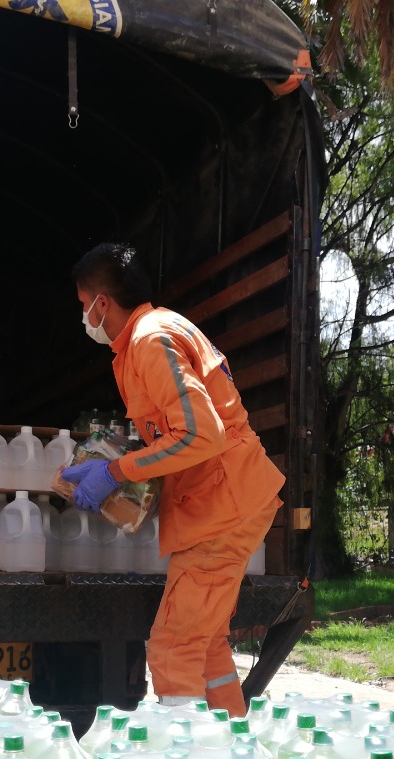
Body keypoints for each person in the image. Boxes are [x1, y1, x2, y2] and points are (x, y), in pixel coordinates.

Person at [63, 242, 284, 717]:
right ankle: (232, 744)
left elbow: (202, 435)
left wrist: (116, 471)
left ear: (102, 302)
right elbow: (179, 433)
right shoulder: (152, 333)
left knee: (171, 645)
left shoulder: (149, 340)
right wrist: (119, 468)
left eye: (84, 306)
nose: (83, 317)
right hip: (227, 498)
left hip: (222, 504)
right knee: (205, 644)